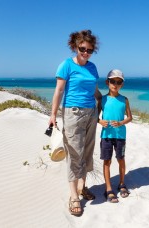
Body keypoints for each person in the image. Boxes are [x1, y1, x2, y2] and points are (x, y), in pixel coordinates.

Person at [49, 29, 101, 216]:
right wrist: (53, 114)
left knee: (87, 151)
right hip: (73, 113)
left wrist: (103, 100)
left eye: (89, 50)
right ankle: (73, 196)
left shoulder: (92, 67)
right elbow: (59, 91)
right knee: (74, 153)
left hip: (91, 113)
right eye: (82, 49)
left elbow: (94, 88)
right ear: (75, 47)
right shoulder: (66, 65)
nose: (85, 53)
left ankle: (82, 186)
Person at [98, 69, 132, 203]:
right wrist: (100, 121)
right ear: (107, 82)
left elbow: (130, 117)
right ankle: (108, 188)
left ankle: (122, 184)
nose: (115, 84)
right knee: (107, 161)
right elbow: (95, 116)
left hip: (120, 136)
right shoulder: (102, 99)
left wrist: (121, 122)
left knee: (121, 159)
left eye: (119, 82)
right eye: (113, 81)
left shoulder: (124, 100)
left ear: (122, 84)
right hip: (106, 135)